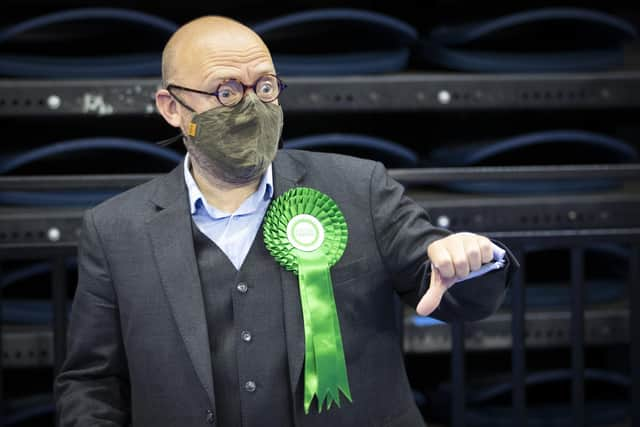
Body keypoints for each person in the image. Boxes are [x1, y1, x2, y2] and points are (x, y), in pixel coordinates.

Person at [54, 16, 518, 427]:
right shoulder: (115, 230)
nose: (252, 105)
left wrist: (472, 262)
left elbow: (448, 285)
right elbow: (92, 382)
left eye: (266, 87)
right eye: (227, 91)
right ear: (172, 107)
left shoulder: (361, 187)